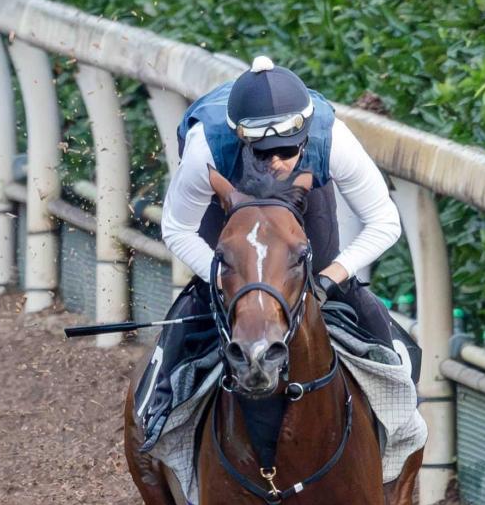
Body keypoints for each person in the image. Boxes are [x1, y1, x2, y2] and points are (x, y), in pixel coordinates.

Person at [140, 56, 413, 447]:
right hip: (231, 203)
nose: (277, 162)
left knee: (361, 307)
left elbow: (385, 221)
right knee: (199, 306)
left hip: (306, 199)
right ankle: (157, 412)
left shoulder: (333, 139)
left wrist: (326, 279)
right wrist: (229, 279)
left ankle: (403, 414)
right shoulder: (206, 151)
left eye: (287, 150)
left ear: (304, 135)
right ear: (241, 139)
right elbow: (177, 228)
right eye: (264, 153)